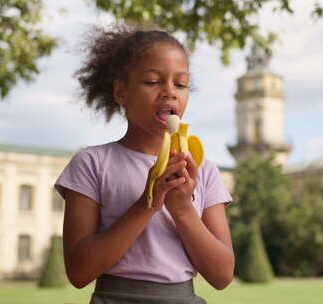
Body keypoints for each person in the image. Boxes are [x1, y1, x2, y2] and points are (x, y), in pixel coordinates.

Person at [54, 25, 234, 304]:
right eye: (152, 81)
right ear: (121, 93)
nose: (169, 92)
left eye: (181, 84)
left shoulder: (204, 171)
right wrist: (148, 203)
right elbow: (79, 272)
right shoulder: (92, 163)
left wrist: (183, 209)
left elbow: (222, 275)